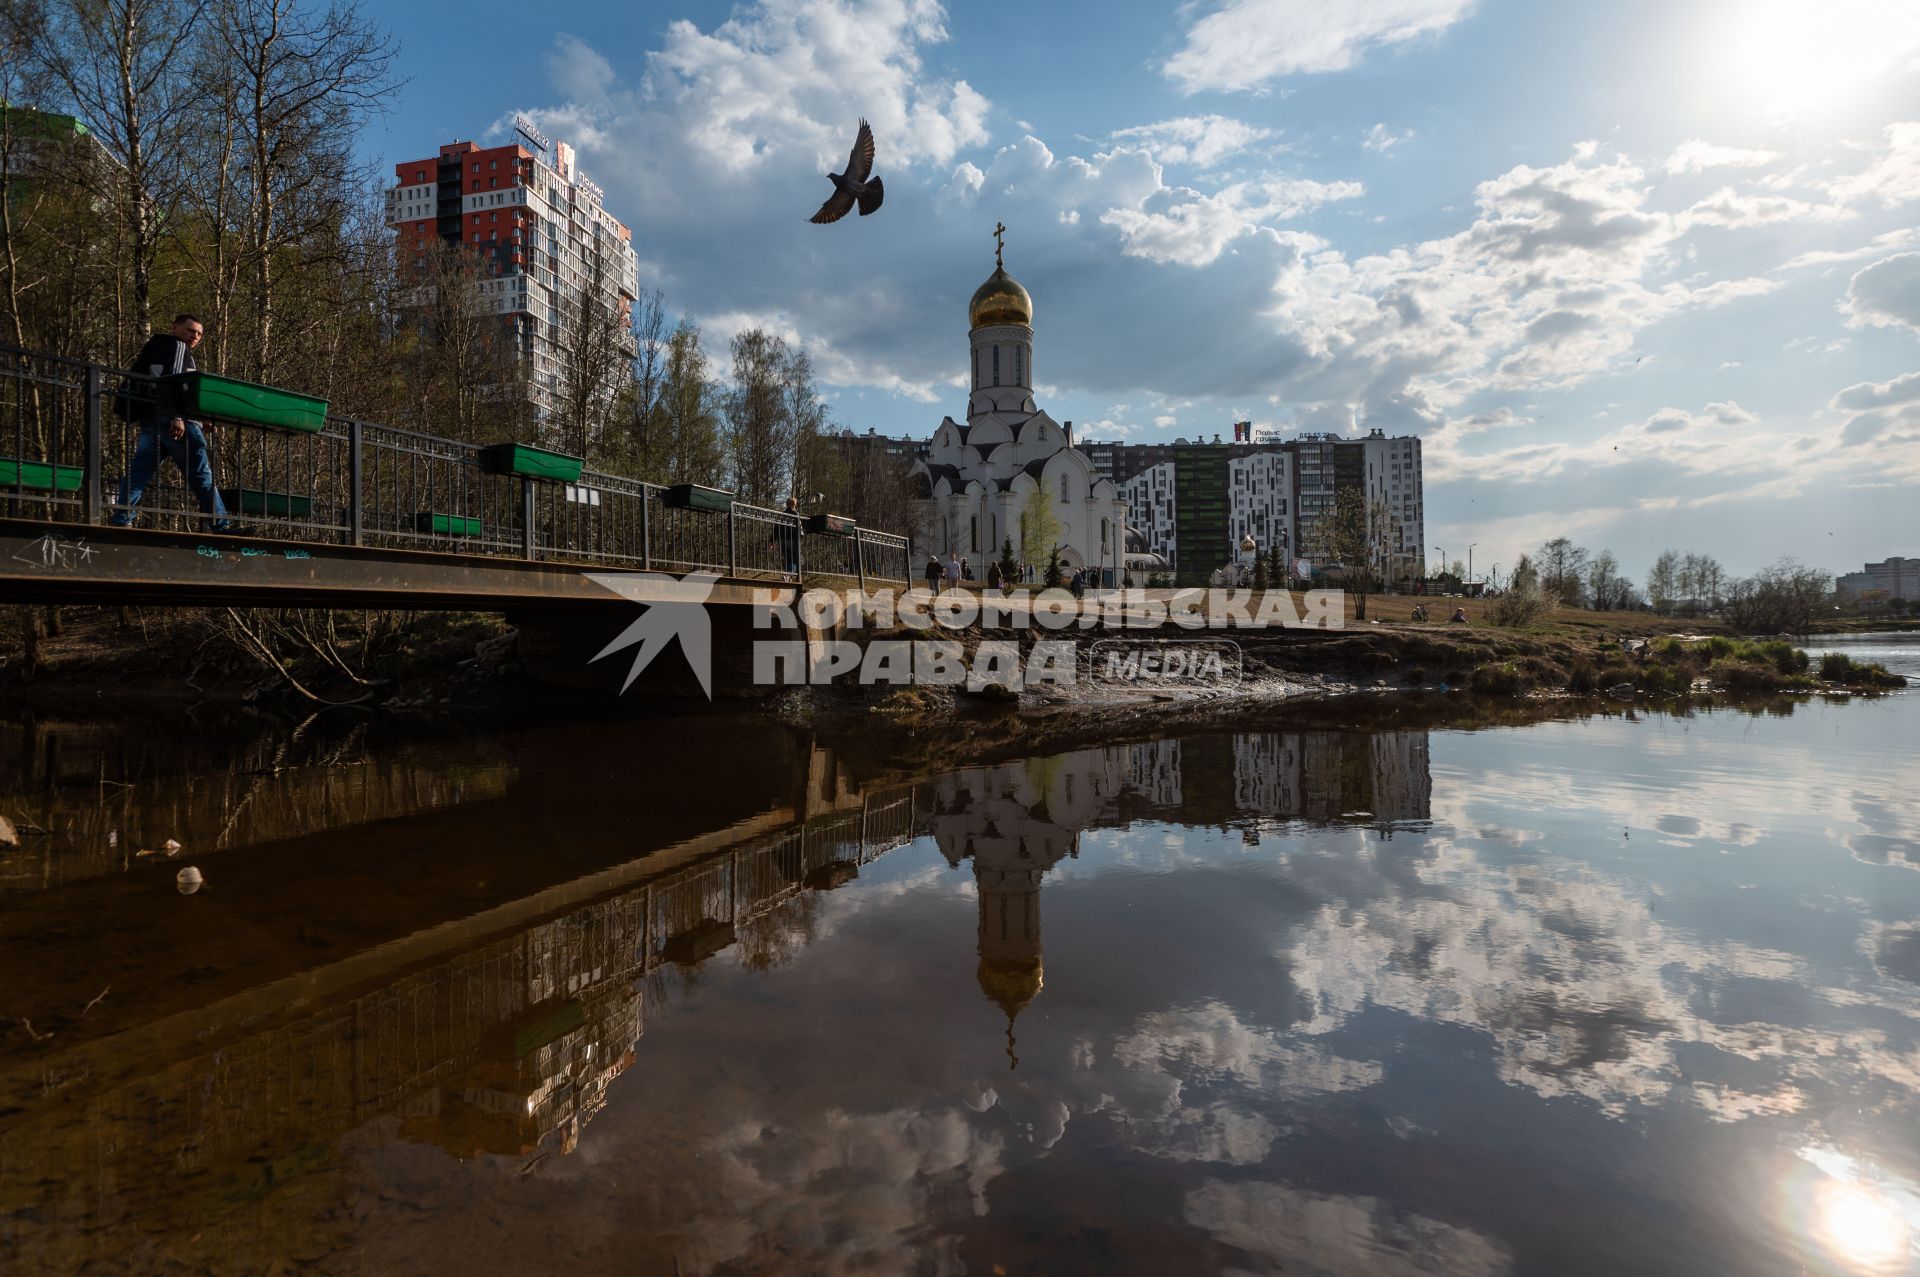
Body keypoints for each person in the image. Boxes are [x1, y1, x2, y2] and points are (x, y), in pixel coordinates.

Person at [110, 313, 231, 532]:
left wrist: (199, 418)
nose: (195, 336)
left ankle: (122, 519)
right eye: (190, 330)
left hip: (152, 418)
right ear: (174, 328)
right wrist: (178, 417)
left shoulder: (157, 348)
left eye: (199, 334)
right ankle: (220, 524)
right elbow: (173, 382)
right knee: (201, 473)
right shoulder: (177, 346)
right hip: (171, 420)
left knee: (140, 470)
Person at [781, 496, 801, 575]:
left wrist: (772, 540)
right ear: (794, 505)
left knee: (787, 558)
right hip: (793, 539)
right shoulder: (796, 514)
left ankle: (787, 574)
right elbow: (799, 528)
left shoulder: (783, 514)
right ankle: (789, 575)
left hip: (783, 539)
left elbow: (777, 527)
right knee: (794, 559)